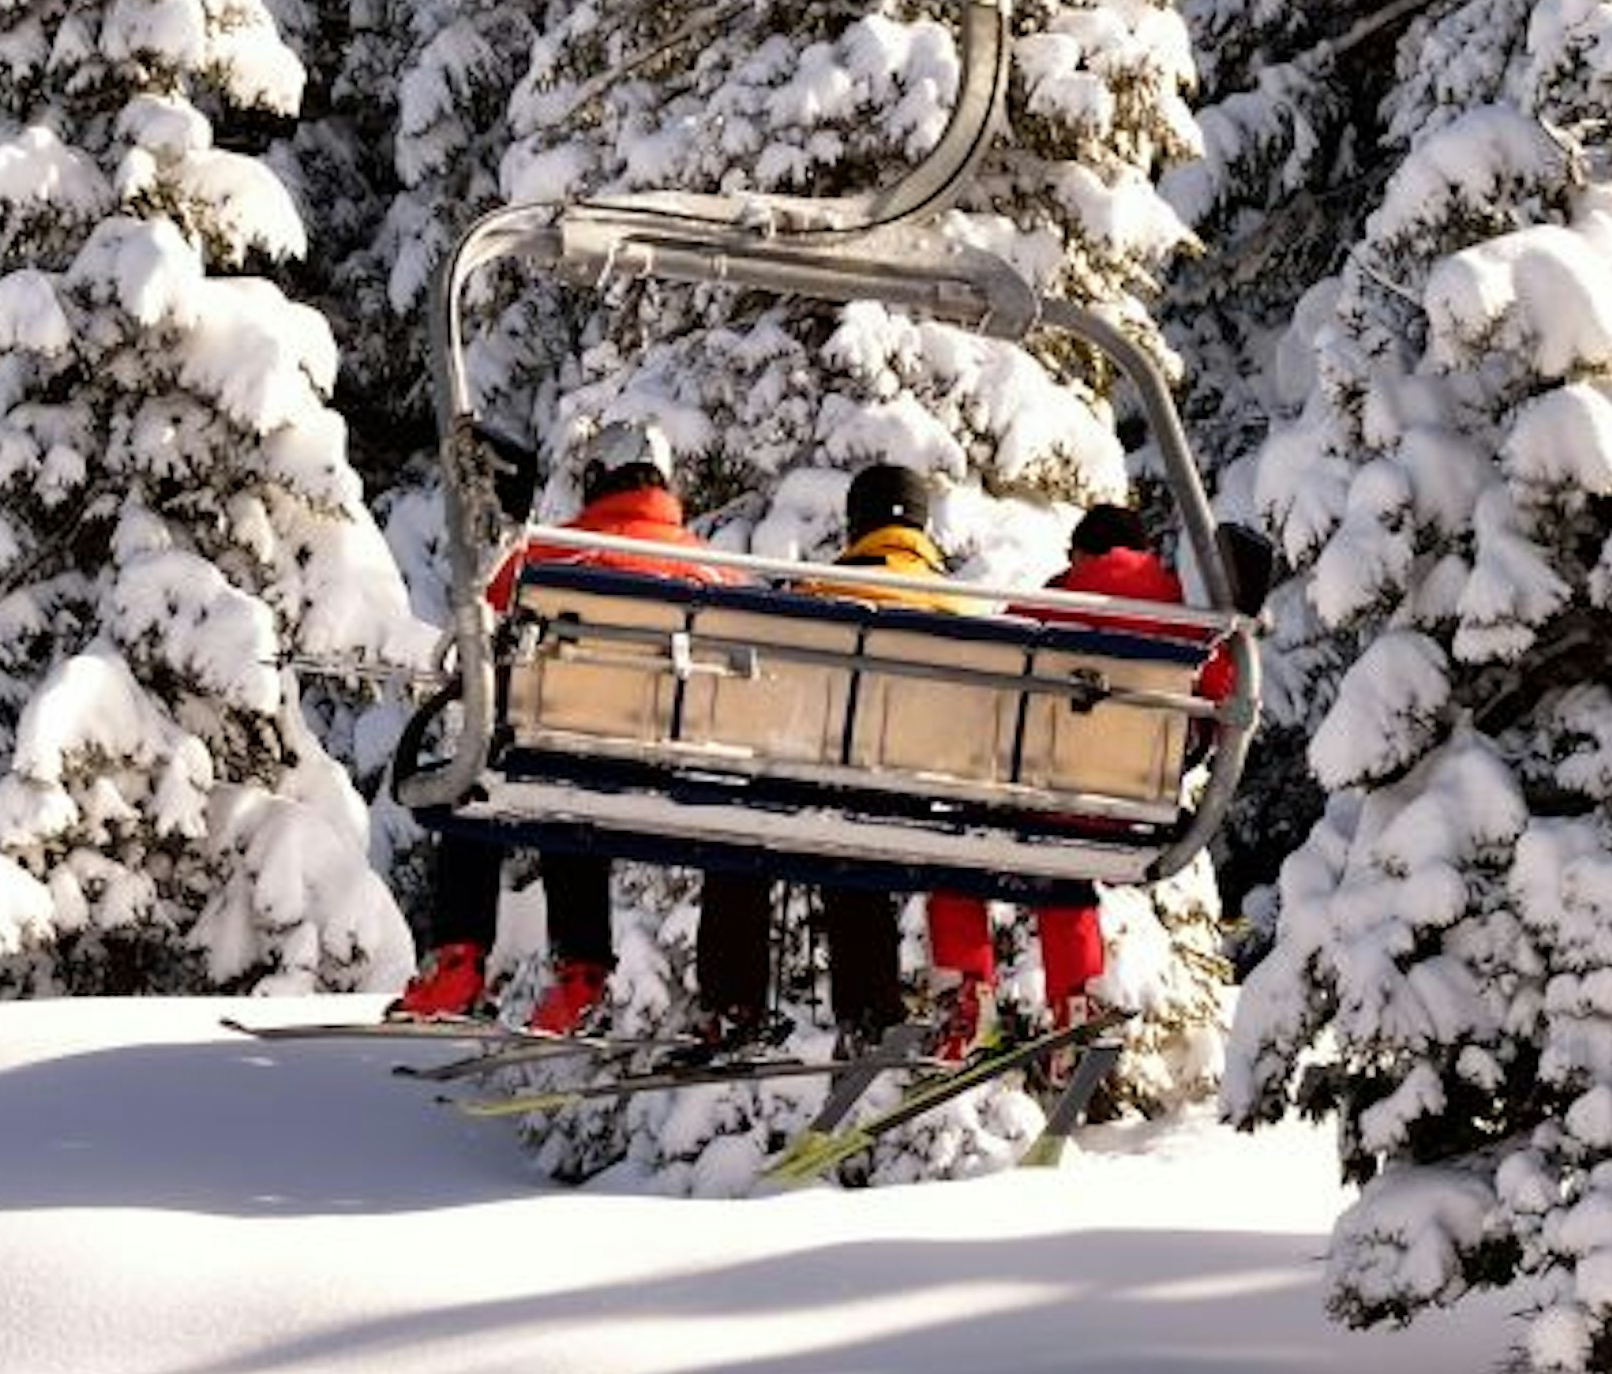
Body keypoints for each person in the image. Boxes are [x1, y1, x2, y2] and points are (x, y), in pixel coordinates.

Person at [393, 431, 729, 1036]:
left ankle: (465, 962)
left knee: (492, 785)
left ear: (598, 477)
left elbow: (488, 620)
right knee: (575, 798)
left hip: (557, 754)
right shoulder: (714, 574)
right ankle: (582, 974)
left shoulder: (548, 560)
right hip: (668, 768)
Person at [917, 501, 1253, 1062]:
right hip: (1131, 798)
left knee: (962, 860)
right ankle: (1075, 1001)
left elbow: (988, 675)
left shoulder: (1053, 603)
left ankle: (968, 991)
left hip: (1042, 789)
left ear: (1079, 553)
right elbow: (1222, 696)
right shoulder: (1186, 617)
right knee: (1066, 874)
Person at [693, 461, 948, 1053]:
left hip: (823, 778)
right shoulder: (958, 609)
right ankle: (869, 1008)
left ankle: (736, 1001)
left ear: (857, 523)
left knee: (748, 840)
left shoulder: (820, 595)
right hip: (915, 790)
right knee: (855, 850)